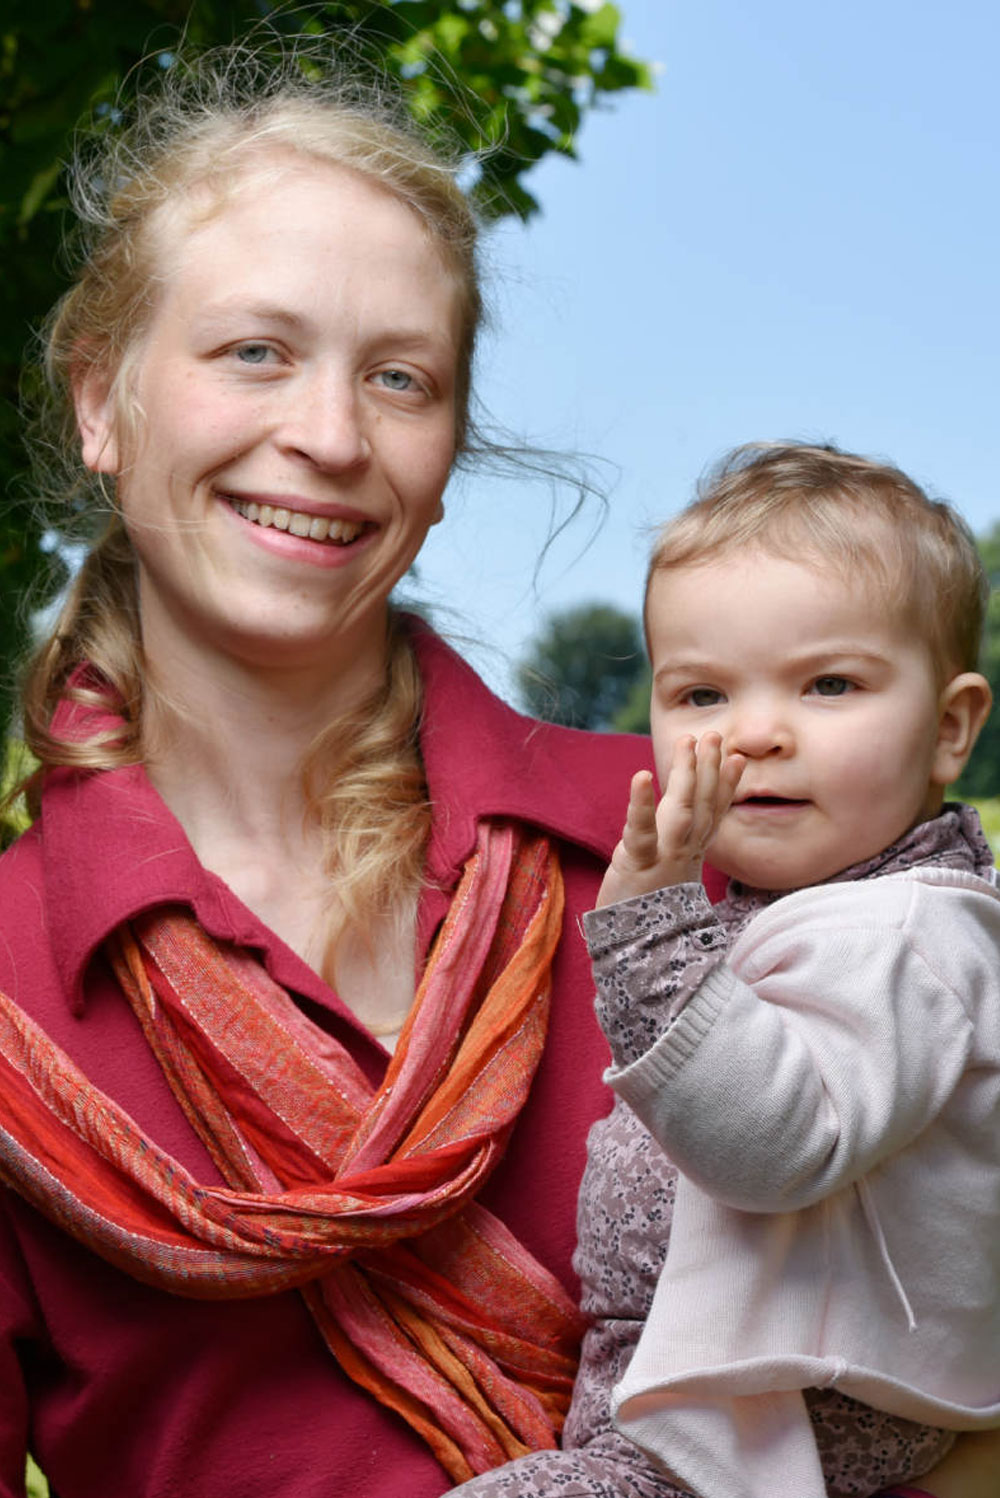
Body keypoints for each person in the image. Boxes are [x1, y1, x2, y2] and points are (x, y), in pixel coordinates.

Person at [0, 43, 655, 1498]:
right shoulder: (6, 988)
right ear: (102, 402)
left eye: (401, 377)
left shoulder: (688, 838)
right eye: (255, 352)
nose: (332, 436)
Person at [452, 442, 1000, 1498]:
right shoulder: (811, 907)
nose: (754, 734)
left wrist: (653, 934)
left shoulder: (902, 936)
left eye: (828, 684)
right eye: (701, 694)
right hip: (725, 1389)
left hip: (781, 1414)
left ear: (947, 729)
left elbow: (781, 1143)